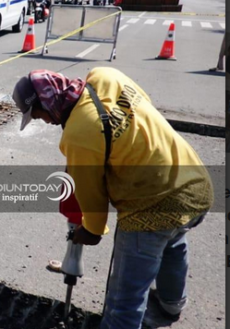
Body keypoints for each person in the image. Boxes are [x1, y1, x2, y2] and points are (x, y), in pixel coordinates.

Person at [12, 68, 213, 329]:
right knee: (173, 243)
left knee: (123, 301)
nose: (42, 120)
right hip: (194, 182)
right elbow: (143, 110)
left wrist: (91, 230)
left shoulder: (78, 134)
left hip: (152, 206)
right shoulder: (106, 76)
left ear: (45, 101)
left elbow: (90, 193)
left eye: (36, 114)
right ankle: (171, 305)